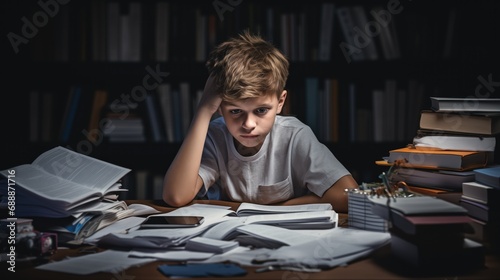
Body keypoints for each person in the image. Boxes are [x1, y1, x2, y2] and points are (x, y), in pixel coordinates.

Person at [163, 31, 358, 213]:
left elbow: (349, 196)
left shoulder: (295, 135)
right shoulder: (215, 136)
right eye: (236, 111)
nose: (248, 124)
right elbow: (175, 196)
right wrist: (204, 110)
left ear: (280, 102)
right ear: (220, 107)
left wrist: (281, 208)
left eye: (261, 110)